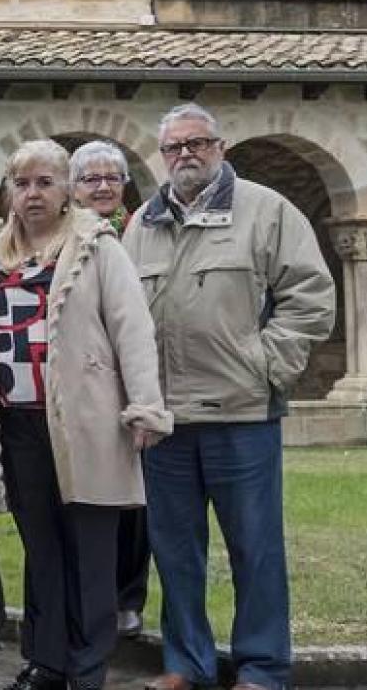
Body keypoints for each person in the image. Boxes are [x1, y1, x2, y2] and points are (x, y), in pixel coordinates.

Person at [123, 105, 334, 690]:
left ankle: (262, 669)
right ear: (160, 156)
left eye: (198, 142)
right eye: (173, 147)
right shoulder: (141, 221)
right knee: (176, 554)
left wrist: (268, 366)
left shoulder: (267, 211)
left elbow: (310, 296)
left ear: (221, 147)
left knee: (255, 549)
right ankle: (184, 665)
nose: (185, 154)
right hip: (165, 420)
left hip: (241, 414)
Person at [0, 140, 172, 690]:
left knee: (91, 553)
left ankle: (87, 669)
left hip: (87, 424)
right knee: (43, 553)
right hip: (18, 426)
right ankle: (48, 664)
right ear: (9, 190)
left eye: (45, 182)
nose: (32, 193)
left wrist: (144, 407)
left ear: (65, 189)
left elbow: (133, 330)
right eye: (22, 183)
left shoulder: (97, 248)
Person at [70, 140, 150, 639]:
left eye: (112, 178)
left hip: (136, 382)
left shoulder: (143, 232)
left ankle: (127, 598)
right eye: (91, 179)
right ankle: (87, 598)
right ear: (74, 188)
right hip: (84, 388)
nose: (102, 186)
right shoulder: (65, 238)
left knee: (136, 504)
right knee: (87, 499)